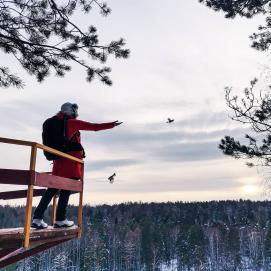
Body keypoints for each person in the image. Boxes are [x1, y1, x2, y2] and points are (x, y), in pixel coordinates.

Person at [31, 102, 122, 229]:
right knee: (66, 190)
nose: (76, 114)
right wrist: (111, 125)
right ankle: (60, 219)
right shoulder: (71, 123)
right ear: (71, 111)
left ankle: (37, 218)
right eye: (75, 111)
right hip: (70, 162)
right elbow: (94, 127)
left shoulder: (54, 122)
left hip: (58, 161)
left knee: (51, 189)